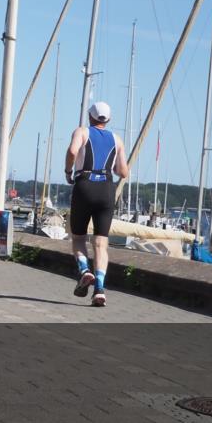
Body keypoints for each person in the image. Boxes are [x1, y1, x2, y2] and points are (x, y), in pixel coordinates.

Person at [64, 101, 129, 307]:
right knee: (101, 243)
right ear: (108, 119)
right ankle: (100, 289)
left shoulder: (82, 132)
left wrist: (68, 171)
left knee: (79, 237)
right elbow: (123, 172)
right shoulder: (117, 139)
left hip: (85, 184)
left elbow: (73, 152)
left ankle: (84, 270)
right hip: (106, 189)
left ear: (90, 116)